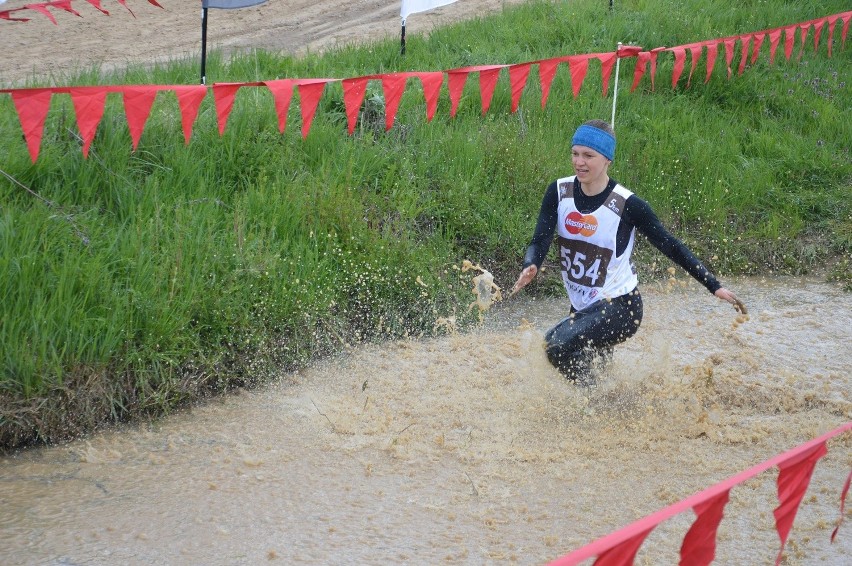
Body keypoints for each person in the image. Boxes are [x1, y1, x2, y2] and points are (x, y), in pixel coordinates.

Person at [511, 119, 746, 385]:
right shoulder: (558, 191)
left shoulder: (629, 205)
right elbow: (540, 237)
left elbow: (670, 245)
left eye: (589, 155)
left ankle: (596, 404)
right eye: (575, 153)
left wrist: (713, 285)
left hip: (621, 308)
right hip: (584, 307)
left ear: (607, 159)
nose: (579, 162)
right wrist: (532, 262)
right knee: (596, 371)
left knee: (554, 345)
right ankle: (607, 408)